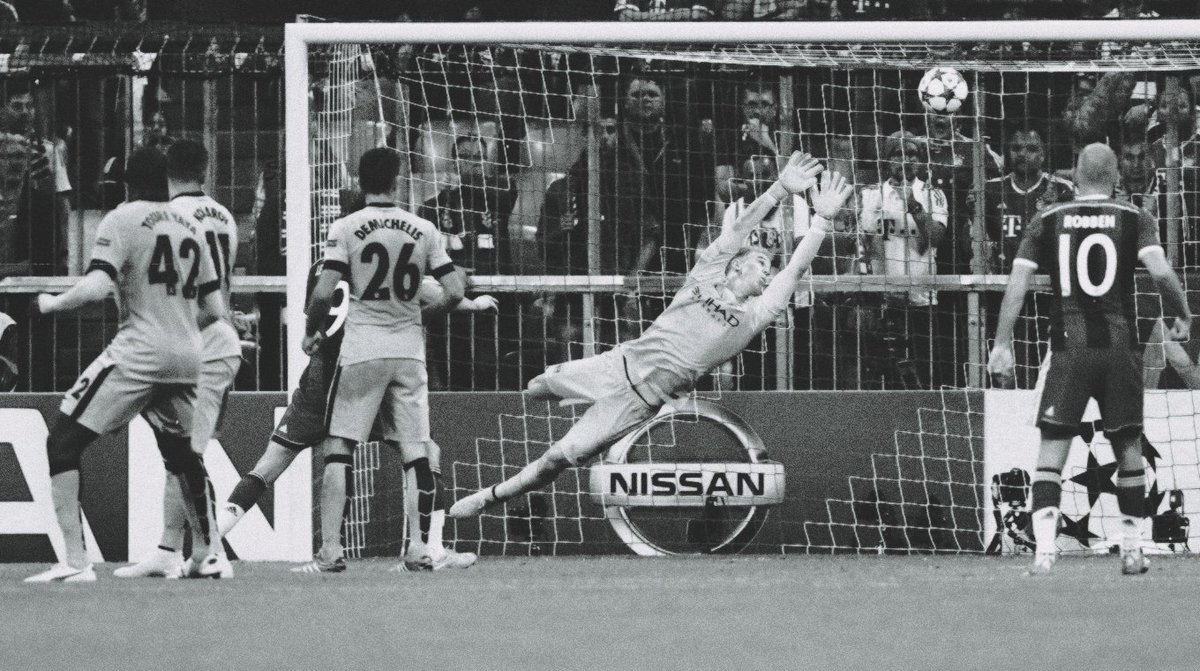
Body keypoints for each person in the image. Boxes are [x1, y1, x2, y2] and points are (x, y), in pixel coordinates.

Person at [449, 152, 853, 518]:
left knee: (557, 460)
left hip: (639, 402)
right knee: (536, 388)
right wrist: (778, 189)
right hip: (617, 364)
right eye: (761, 263)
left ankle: (490, 497)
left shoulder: (753, 317)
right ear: (735, 266)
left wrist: (821, 220)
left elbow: (794, 270)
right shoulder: (706, 274)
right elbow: (739, 229)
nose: (767, 273)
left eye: (769, 269)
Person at [987, 143, 1192, 576]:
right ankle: (1132, 550)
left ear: (1075, 177)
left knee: (1053, 448)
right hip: (1120, 346)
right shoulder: (1135, 217)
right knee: (1128, 445)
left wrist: (1002, 343)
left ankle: (1045, 552)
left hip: (1069, 347)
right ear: (1116, 178)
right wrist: (1182, 312)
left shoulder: (1047, 217)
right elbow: (1160, 273)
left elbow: (1017, 284)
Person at [25, 147, 227, 583]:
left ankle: (76, 563)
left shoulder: (122, 218)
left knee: (63, 442)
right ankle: (207, 553)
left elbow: (97, 285)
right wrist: (176, 326)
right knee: (183, 456)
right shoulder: (192, 225)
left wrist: (52, 304)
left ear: (128, 183)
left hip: (139, 352)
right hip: (189, 355)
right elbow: (215, 308)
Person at [216, 264, 495, 573]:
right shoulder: (373, 262)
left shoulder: (319, 269)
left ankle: (213, 544)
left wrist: (309, 335)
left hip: (319, 382)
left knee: (268, 467)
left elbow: (319, 306)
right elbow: (429, 293)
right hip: (364, 379)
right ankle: (432, 550)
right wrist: (471, 303)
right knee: (423, 453)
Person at [298, 147, 465, 573]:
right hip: (408, 352)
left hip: (362, 350)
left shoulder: (346, 227)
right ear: (398, 180)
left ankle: (332, 549)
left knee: (339, 446)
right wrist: (422, 317)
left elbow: (323, 292)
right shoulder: (423, 228)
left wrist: (312, 331)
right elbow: (455, 291)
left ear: (359, 181)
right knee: (415, 451)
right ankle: (418, 547)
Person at [111, 140, 241, 579]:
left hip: (191, 344)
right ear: (205, 170)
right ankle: (170, 549)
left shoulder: (167, 217)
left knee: (187, 456)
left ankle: (209, 552)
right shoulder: (224, 216)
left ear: (166, 172)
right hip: (216, 342)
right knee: (182, 454)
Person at [857, 131, 949, 389]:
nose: (906, 159)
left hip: (923, 301)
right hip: (884, 302)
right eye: (898, 154)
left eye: (912, 154)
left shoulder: (933, 193)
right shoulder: (871, 194)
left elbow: (936, 238)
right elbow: (866, 246)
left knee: (925, 378)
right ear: (887, 159)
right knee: (883, 381)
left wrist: (913, 205)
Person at [984, 128, 1074, 274]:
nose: (1022, 154)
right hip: (1003, 279)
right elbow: (972, 244)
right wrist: (972, 211)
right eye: (1016, 148)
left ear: (1042, 155)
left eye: (1031, 149)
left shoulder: (1063, 189)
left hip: (1048, 279)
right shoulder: (990, 189)